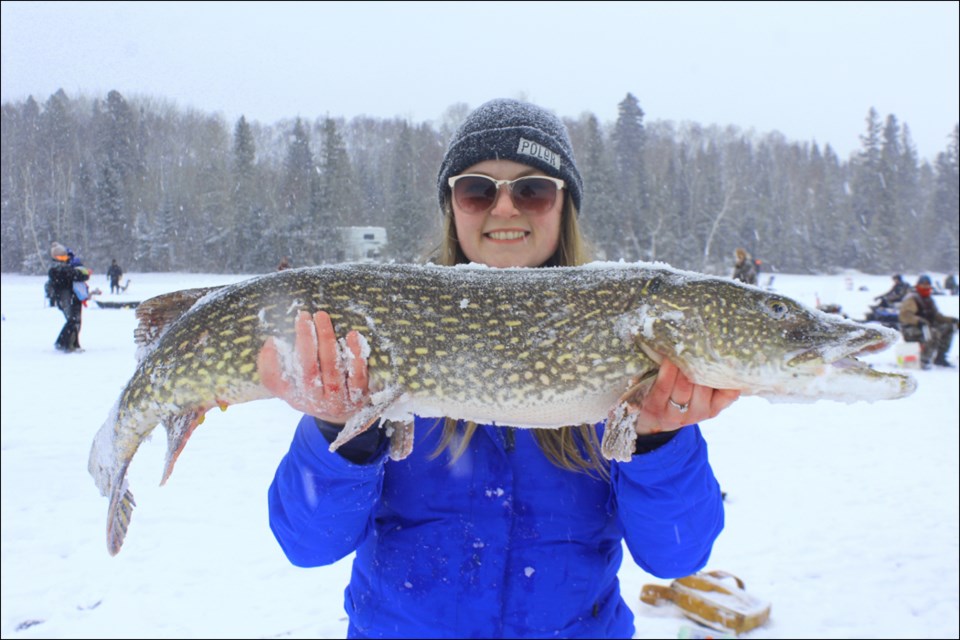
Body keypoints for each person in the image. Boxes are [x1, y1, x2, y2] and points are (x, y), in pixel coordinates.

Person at [260, 99, 739, 639]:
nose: (505, 208)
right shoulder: (384, 330)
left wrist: (657, 444)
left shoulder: (630, 342)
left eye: (533, 190)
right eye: (477, 189)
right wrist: (336, 433)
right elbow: (306, 543)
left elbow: (678, 552)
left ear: (564, 206)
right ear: (453, 208)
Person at [898, 274, 958, 369]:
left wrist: (951, 320)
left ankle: (940, 357)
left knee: (948, 327)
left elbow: (936, 316)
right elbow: (905, 315)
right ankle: (924, 359)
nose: (926, 286)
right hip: (912, 328)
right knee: (933, 332)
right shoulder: (912, 298)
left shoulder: (928, 299)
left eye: (928, 284)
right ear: (918, 285)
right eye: (923, 284)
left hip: (926, 326)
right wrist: (919, 320)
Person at [46, 241, 90, 352]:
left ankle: (70, 343)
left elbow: (80, 275)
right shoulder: (57, 269)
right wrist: (82, 273)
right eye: (61, 256)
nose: (64, 258)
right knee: (73, 321)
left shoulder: (67, 267)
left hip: (72, 298)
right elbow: (78, 275)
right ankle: (66, 343)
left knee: (75, 321)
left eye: (65, 256)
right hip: (66, 298)